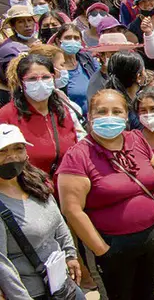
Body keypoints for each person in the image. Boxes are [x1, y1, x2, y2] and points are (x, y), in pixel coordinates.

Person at [56, 89, 154, 300]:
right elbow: (72, 209)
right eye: (101, 112)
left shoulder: (137, 139)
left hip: (150, 239)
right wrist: (102, 250)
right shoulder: (79, 155)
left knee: (146, 293)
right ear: (90, 117)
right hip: (112, 247)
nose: (109, 117)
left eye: (116, 111)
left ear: (126, 115)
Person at [0, 123, 85, 300]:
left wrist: (70, 254)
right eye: (3, 151)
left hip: (61, 283)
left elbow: (57, 221)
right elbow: (2, 263)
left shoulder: (36, 182)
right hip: (31, 292)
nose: (12, 156)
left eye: (18, 148)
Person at [0, 53, 80, 177]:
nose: (40, 83)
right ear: (21, 83)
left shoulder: (63, 111)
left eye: (46, 77)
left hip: (65, 188)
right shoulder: (6, 116)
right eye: (32, 79)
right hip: (29, 190)